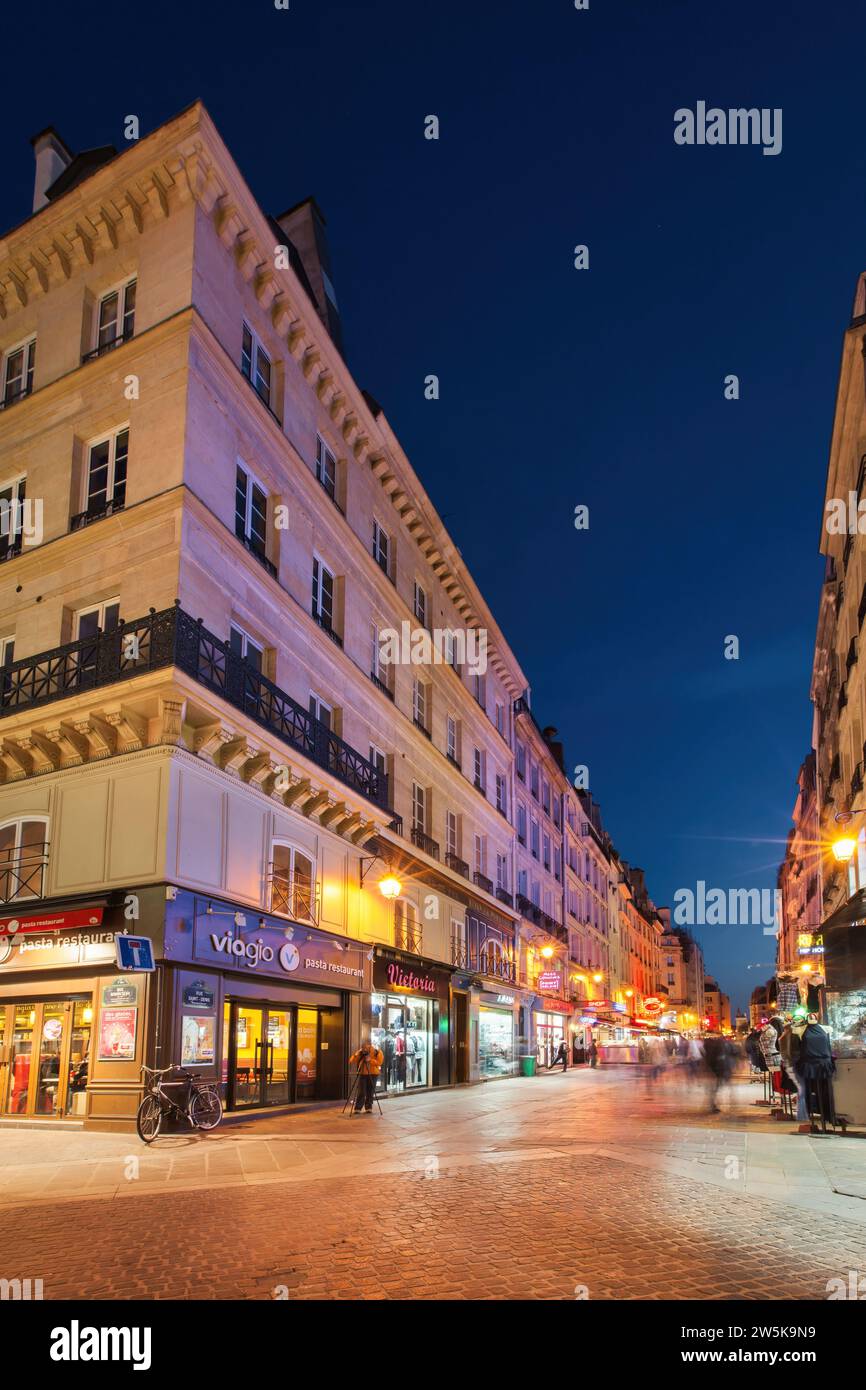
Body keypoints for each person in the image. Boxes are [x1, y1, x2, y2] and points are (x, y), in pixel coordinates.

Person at [348, 1038, 384, 1112]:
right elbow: (351, 1060)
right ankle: (358, 1108)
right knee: (361, 1091)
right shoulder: (361, 1052)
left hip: (373, 1073)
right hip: (363, 1073)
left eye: (366, 1045)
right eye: (363, 1046)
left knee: (370, 1091)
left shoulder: (376, 1051)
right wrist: (356, 1054)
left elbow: (379, 1062)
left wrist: (370, 1060)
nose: (365, 1047)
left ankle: (368, 1107)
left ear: (370, 1044)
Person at [702, 1035, 735, 1112]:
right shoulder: (720, 1047)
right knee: (717, 1087)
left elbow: (709, 1059)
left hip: (716, 1070)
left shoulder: (711, 1048)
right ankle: (714, 1104)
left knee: (716, 1088)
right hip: (720, 1070)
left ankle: (713, 1104)